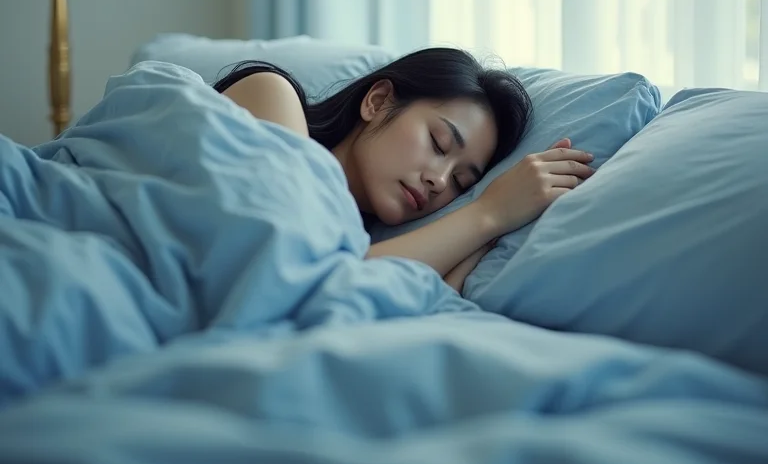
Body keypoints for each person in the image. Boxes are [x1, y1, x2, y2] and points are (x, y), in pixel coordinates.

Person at [214, 48, 594, 291]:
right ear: (377, 102)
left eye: (461, 182)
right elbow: (305, 273)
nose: (439, 180)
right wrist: (488, 214)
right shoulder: (269, 94)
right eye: (439, 143)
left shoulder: (353, 235)